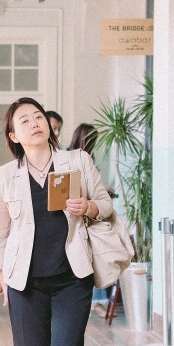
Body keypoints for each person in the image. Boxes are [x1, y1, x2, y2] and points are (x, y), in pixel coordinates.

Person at [0, 98, 112, 346]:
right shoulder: (5, 175)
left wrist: (87, 207)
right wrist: (2, 279)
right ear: (13, 135)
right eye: (24, 121)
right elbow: (0, 233)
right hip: (25, 281)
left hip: (72, 276)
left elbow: (105, 205)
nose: (34, 124)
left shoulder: (77, 161)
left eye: (38, 116)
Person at [66, 123, 112, 314]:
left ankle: (97, 300)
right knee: (89, 260)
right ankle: (96, 301)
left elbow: (99, 198)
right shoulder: (71, 159)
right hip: (79, 221)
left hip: (88, 216)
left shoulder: (83, 158)